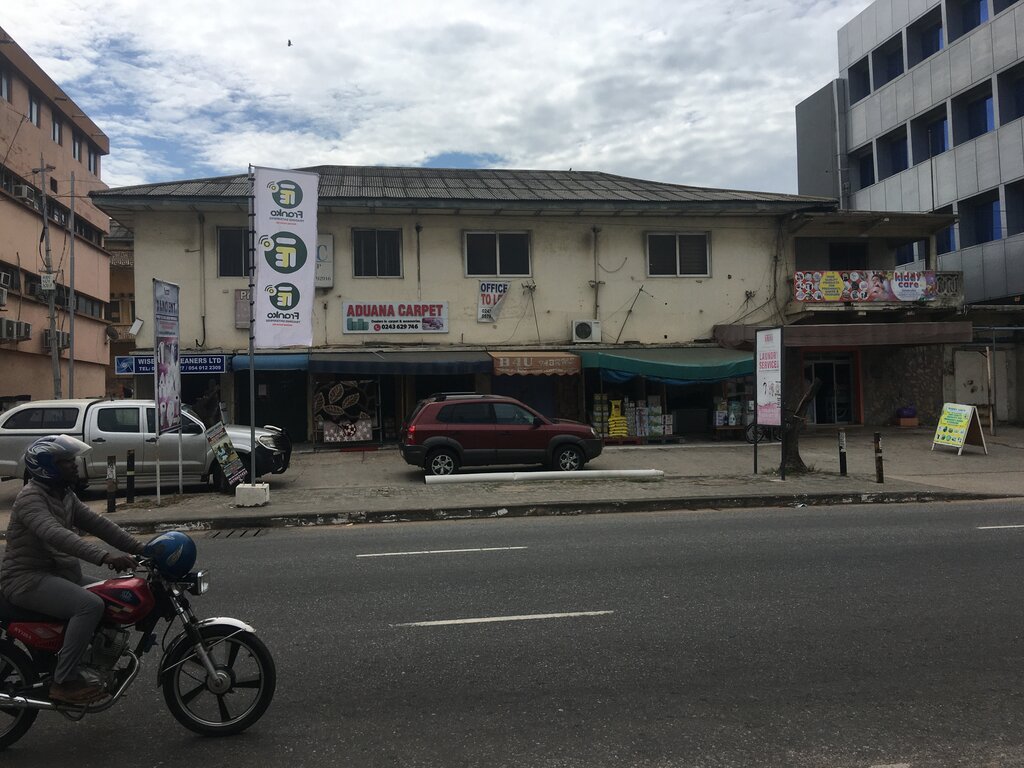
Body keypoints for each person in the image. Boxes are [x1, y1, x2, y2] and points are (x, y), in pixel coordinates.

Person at [0, 435, 145, 705]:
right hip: (25, 580)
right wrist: (105, 557)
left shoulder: (64, 495)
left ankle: (90, 664)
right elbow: (56, 535)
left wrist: (143, 548)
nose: (75, 465)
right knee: (89, 605)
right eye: (67, 461)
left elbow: (99, 524)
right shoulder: (30, 498)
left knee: (111, 595)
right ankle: (64, 682)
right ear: (47, 467)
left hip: (58, 574)